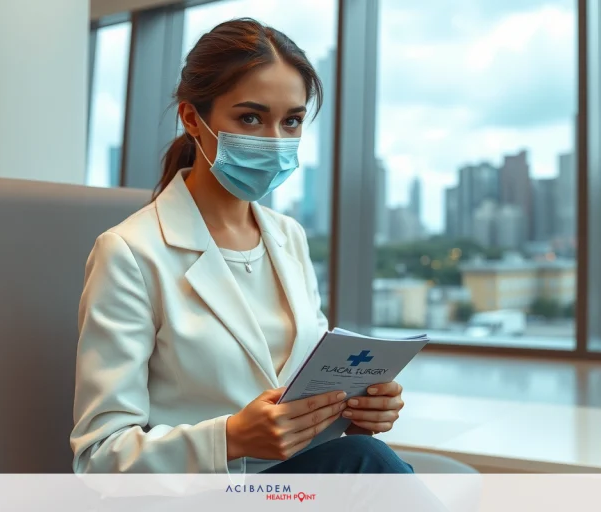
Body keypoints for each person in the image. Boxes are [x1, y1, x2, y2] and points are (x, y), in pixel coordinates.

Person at [70, 18, 412, 476]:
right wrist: (229, 439)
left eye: (291, 121)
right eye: (250, 117)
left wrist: (357, 410)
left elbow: (300, 392)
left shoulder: (288, 237)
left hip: (295, 483)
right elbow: (99, 459)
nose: (275, 141)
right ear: (193, 118)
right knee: (369, 465)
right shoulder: (129, 253)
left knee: (365, 456)